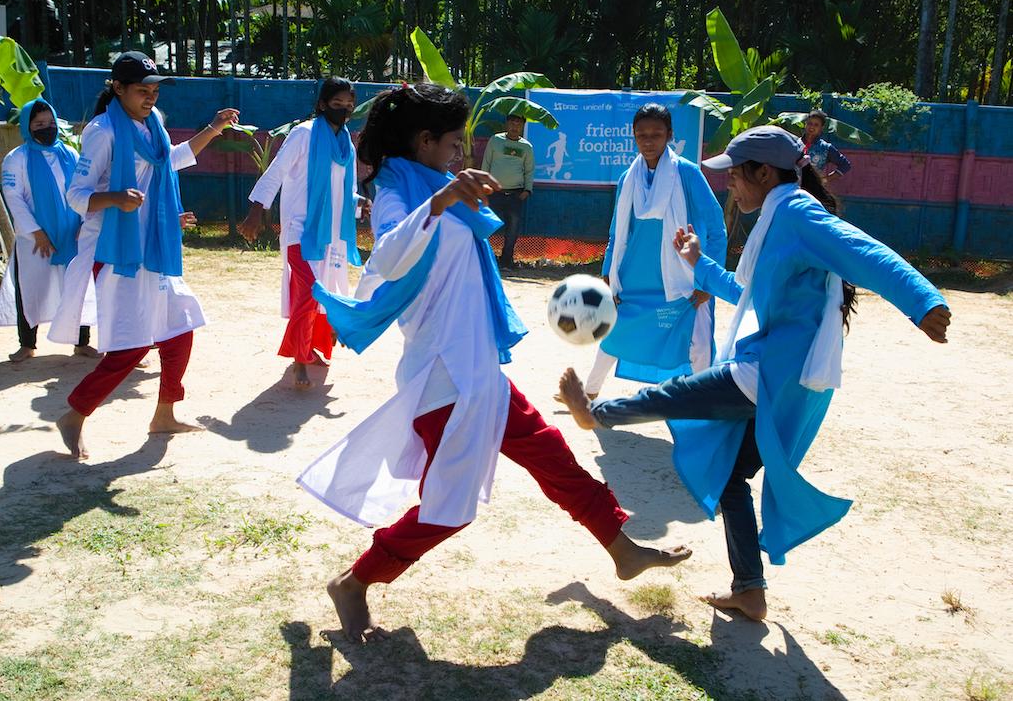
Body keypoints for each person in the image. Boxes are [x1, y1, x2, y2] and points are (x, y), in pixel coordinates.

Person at [296, 83, 692, 643]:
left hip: (478, 369)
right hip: (443, 379)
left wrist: (448, 198)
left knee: (553, 456)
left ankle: (622, 549)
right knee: (448, 509)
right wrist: (440, 202)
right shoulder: (396, 193)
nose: (460, 153)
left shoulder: (437, 187)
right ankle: (354, 581)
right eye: (452, 143)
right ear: (424, 140)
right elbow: (387, 256)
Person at [558, 126, 951, 621]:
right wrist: (698, 262)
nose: (730, 184)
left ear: (764, 173)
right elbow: (744, 292)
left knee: (678, 394)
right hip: (781, 371)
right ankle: (750, 590)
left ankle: (595, 414)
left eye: (736, 175)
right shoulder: (777, 216)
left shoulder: (798, 214)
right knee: (730, 478)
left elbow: (866, 252)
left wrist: (923, 302)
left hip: (772, 371)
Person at [49, 51, 238, 459]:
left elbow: (170, 162)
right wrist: (116, 198)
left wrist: (214, 128)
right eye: (142, 90)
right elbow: (76, 195)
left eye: (154, 90)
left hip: (153, 247)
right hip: (116, 252)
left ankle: (164, 414)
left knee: (180, 327)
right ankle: (74, 415)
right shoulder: (102, 131)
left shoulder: (154, 127)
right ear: (118, 88)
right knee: (133, 345)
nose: (150, 97)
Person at [559, 103, 725, 403]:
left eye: (656, 134)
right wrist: (609, 274)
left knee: (697, 342)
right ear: (633, 136)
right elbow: (617, 232)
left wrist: (708, 281)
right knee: (617, 334)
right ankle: (589, 393)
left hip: (681, 279)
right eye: (641, 135)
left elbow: (716, 228)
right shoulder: (628, 178)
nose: (648, 141)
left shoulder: (687, 173)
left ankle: (704, 405)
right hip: (634, 277)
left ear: (670, 135)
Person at [238, 77, 369, 388]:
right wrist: (256, 212)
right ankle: (299, 360)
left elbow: (345, 189)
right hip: (301, 230)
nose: (344, 110)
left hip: (332, 234)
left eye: (349, 105)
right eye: (337, 104)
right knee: (310, 292)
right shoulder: (303, 134)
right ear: (322, 104)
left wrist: (359, 204)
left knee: (325, 292)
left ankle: (312, 348)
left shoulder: (345, 144)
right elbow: (276, 172)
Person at [0, 98, 99, 362]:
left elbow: (83, 190)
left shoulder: (71, 154)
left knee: (77, 286)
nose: (47, 128)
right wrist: (36, 232)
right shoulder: (16, 159)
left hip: (72, 234)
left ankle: (81, 342)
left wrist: (84, 223)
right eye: (39, 124)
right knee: (31, 288)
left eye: (51, 123)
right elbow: (14, 198)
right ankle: (27, 344)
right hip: (34, 239)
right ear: (27, 127)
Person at [480, 113, 534, 268]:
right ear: (506, 124)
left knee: (512, 230)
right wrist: (483, 185)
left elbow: (529, 170)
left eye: (518, 124)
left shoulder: (526, 147)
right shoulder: (495, 140)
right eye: (512, 123)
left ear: (523, 127)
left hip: (515, 195)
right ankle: (484, 259)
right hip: (493, 193)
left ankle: (506, 261)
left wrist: (527, 190)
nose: (515, 127)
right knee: (486, 226)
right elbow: (486, 163)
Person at [802, 109, 852, 179]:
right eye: (809, 123)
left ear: (821, 128)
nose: (812, 127)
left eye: (816, 125)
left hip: (813, 185)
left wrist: (826, 179)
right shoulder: (795, 143)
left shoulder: (825, 148)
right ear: (805, 124)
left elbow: (845, 165)